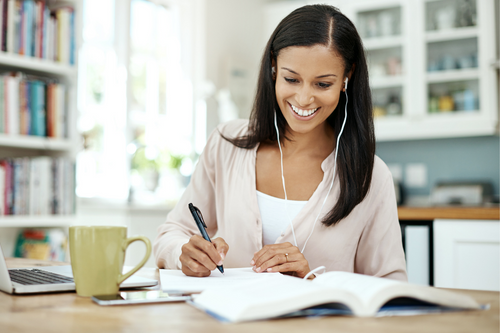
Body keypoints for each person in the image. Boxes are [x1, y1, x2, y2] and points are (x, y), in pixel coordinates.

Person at [154, 4, 407, 281]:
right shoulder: (226, 145)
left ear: (347, 78)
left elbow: (390, 286)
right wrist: (184, 253)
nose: (303, 99)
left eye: (322, 84)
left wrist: (311, 279)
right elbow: (172, 232)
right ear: (273, 68)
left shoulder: (369, 176)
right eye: (291, 79)